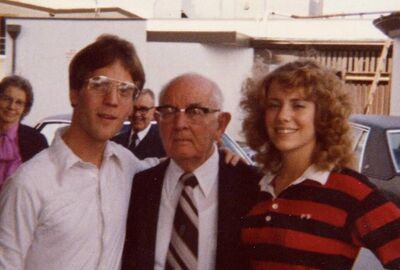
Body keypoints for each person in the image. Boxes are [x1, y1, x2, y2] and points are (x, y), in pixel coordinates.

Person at [0, 34, 159, 269]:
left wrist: (223, 157)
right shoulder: (29, 184)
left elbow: (174, 167)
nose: (112, 100)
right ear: (74, 93)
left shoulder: (126, 165)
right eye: (100, 84)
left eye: (125, 90)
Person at [240, 60, 400, 269]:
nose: (283, 116)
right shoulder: (258, 189)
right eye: (274, 105)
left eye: (298, 105)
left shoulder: (351, 192)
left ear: (323, 115)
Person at [121, 73, 261, 270]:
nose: (179, 124)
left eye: (195, 112)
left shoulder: (252, 188)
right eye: (169, 111)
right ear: (159, 120)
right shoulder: (139, 187)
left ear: (220, 124)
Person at [0, 75, 48, 189]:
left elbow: (42, 184)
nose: (11, 106)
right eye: (7, 99)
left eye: (19, 102)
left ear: (25, 108)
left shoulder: (36, 140)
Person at [112, 88, 166, 159]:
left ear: (153, 111)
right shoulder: (115, 142)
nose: (137, 114)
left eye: (143, 109)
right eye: (133, 108)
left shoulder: (163, 143)